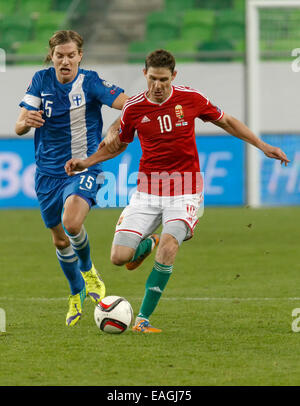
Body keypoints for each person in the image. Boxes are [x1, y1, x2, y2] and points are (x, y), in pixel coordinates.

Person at [65, 49, 290, 333]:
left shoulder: (191, 98)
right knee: (119, 258)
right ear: (144, 74)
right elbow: (118, 144)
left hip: (185, 190)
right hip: (147, 190)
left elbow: (227, 121)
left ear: (174, 76)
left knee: (171, 244)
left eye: (164, 80)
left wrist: (262, 145)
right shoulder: (133, 108)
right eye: (153, 79)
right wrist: (85, 162)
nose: (157, 86)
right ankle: (151, 242)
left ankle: (143, 320)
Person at [15, 30, 129, 327]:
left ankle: (89, 271)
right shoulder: (40, 80)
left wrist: (116, 127)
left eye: (70, 55)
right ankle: (76, 291)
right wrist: (25, 122)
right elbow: (19, 126)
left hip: (82, 166)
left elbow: (130, 104)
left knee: (72, 222)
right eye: (59, 56)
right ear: (51, 56)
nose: (65, 61)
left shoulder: (91, 82)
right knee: (59, 239)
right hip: (46, 174)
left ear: (80, 56)